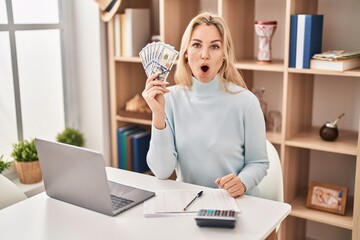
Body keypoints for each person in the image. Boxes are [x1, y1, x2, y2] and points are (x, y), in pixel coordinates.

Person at [142, 12, 269, 197]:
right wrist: (157, 114)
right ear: (186, 53)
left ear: (224, 54)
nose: (204, 55)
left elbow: (259, 162)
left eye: (215, 46)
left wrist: (242, 182)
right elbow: (161, 172)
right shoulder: (169, 98)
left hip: (238, 203)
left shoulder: (246, 102)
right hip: (191, 204)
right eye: (196, 45)